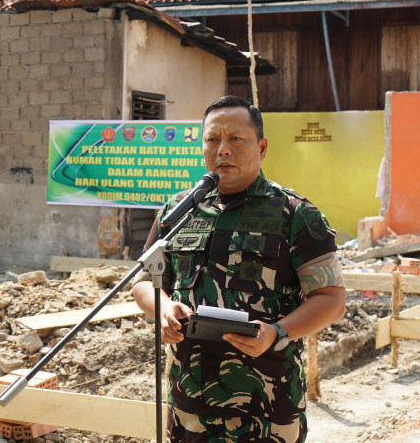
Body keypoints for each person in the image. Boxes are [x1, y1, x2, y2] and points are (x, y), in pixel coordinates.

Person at [132, 95, 346, 442]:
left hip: (265, 411)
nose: (223, 150)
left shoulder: (295, 215)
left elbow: (332, 300)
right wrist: (163, 309)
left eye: (235, 139)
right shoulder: (177, 212)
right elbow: (143, 282)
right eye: (213, 140)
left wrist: (276, 332)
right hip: (188, 408)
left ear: (261, 147)